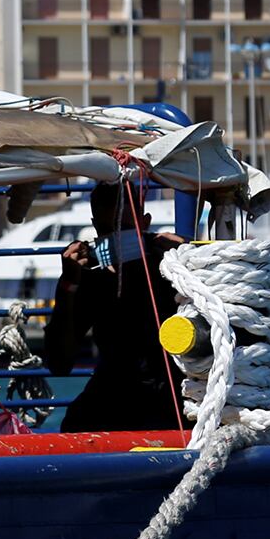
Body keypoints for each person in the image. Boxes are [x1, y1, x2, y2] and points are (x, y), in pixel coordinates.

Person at [46, 182, 186, 433]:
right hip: (115, 390)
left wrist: (188, 261)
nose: (117, 241)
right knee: (75, 425)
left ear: (145, 224)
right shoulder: (89, 277)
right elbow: (59, 363)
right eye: (107, 232)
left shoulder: (169, 267)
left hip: (172, 390)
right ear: (95, 229)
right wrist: (68, 286)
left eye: (126, 231)